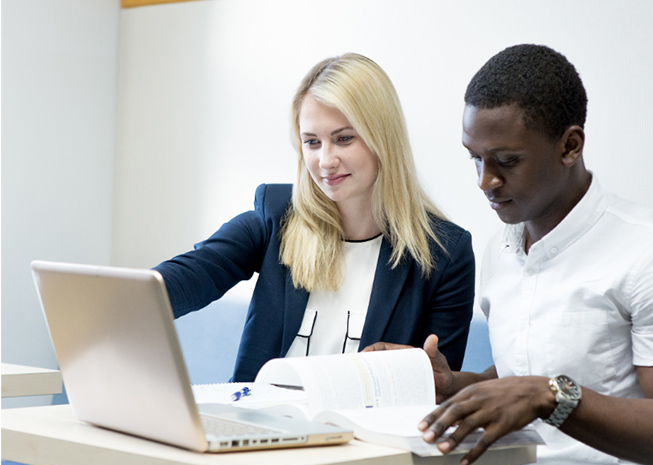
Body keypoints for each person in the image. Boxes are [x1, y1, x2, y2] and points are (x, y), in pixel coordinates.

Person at [366, 44, 653, 465]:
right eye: (475, 159)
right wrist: (453, 385)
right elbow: (521, 376)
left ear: (570, 146)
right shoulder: (504, 249)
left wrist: (549, 395)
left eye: (507, 161)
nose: (485, 181)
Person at [153, 53, 475, 382]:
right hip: (262, 425)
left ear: (383, 139)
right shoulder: (275, 218)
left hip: (360, 432)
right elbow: (184, 279)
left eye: (344, 138)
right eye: (312, 142)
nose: (325, 161)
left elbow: (441, 387)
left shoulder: (446, 254)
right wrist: (120, 305)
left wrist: (413, 375)